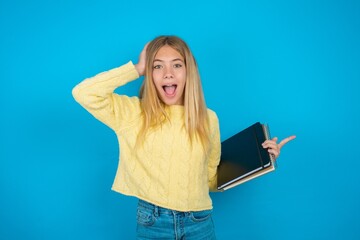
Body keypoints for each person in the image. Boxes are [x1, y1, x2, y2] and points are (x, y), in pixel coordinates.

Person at [72, 35, 296, 239]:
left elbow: (209, 180)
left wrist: (261, 160)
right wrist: (137, 68)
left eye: (177, 65)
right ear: (149, 74)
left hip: (199, 222)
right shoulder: (133, 113)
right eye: (157, 66)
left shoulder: (209, 119)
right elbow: (84, 93)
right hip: (153, 223)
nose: (168, 73)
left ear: (189, 71)